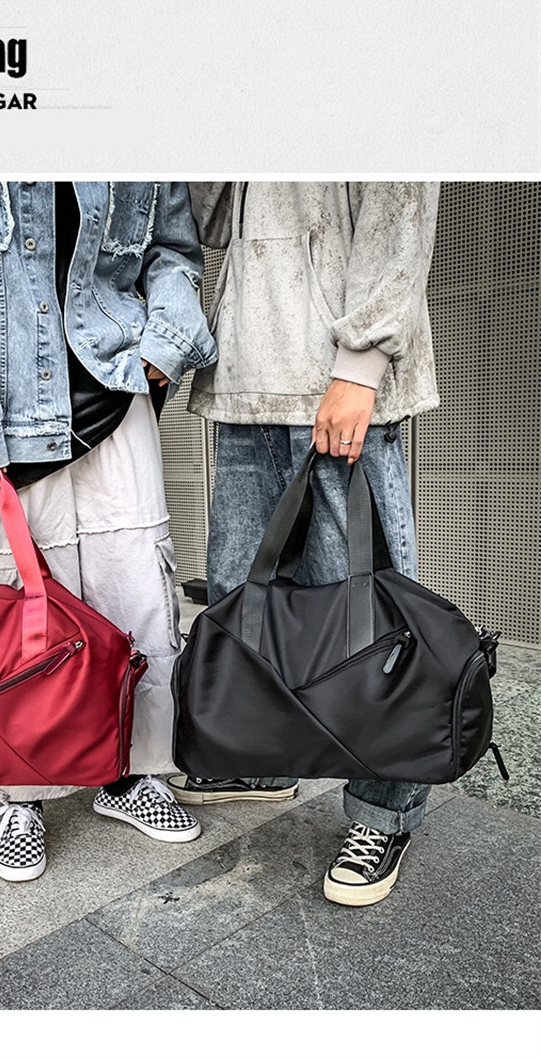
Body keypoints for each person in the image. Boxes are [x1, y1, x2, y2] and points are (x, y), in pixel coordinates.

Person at [0, 181, 218, 881]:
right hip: (3, 408)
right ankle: (23, 792)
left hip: (117, 385)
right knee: (11, 611)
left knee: (134, 588)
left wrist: (165, 343)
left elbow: (173, 250)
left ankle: (131, 772)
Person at [170, 181, 441, 907]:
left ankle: (383, 813)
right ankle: (265, 757)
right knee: (243, 603)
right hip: (246, 376)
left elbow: (401, 200)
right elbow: (211, 220)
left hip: (337, 376)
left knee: (370, 623)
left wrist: (361, 363)